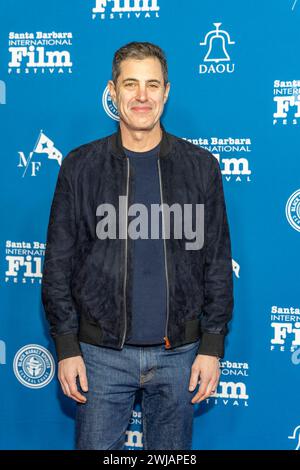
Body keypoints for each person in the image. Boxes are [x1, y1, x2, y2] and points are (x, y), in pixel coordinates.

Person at [41, 41, 234, 450]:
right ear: (112, 91)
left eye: (152, 84)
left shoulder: (201, 167)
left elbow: (217, 260)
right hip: (99, 357)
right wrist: (67, 345)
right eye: (131, 84)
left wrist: (212, 345)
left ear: (167, 91)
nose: (142, 96)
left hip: (180, 355)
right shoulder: (80, 166)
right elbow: (57, 264)